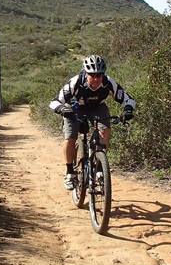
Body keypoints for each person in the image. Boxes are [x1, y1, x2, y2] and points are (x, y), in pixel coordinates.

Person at [49, 54, 136, 190]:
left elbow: (128, 99)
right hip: (75, 108)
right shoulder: (76, 82)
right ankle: (70, 173)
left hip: (97, 107)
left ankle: (100, 166)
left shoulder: (108, 82)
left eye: (99, 75)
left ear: (103, 74)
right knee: (70, 137)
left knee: (105, 130)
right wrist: (62, 109)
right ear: (86, 73)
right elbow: (55, 102)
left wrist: (128, 110)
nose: (96, 79)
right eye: (92, 75)